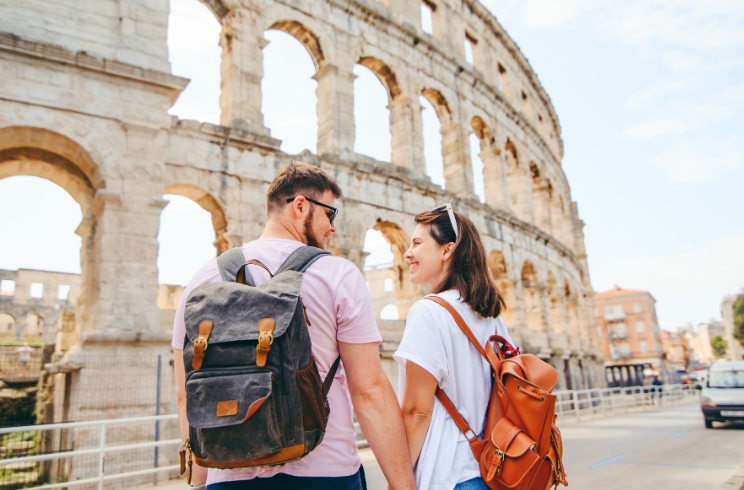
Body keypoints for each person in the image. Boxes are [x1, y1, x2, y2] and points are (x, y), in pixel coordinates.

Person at [172, 162, 416, 490]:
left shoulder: (202, 280)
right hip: (324, 472)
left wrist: (200, 483)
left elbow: (185, 393)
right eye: (330, 214)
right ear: (300, 206)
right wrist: (403, 485)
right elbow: (369, 390)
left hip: (227, 476)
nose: (332, 228)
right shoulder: (337, 274)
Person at [394, 204, 518, 490]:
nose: (407, 252)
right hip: (492, 467)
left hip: (448, 473)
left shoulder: (428, 312)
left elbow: (417, 412)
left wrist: (398, 481)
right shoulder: (492, 317)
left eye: (417, 243)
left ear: (447, 250)